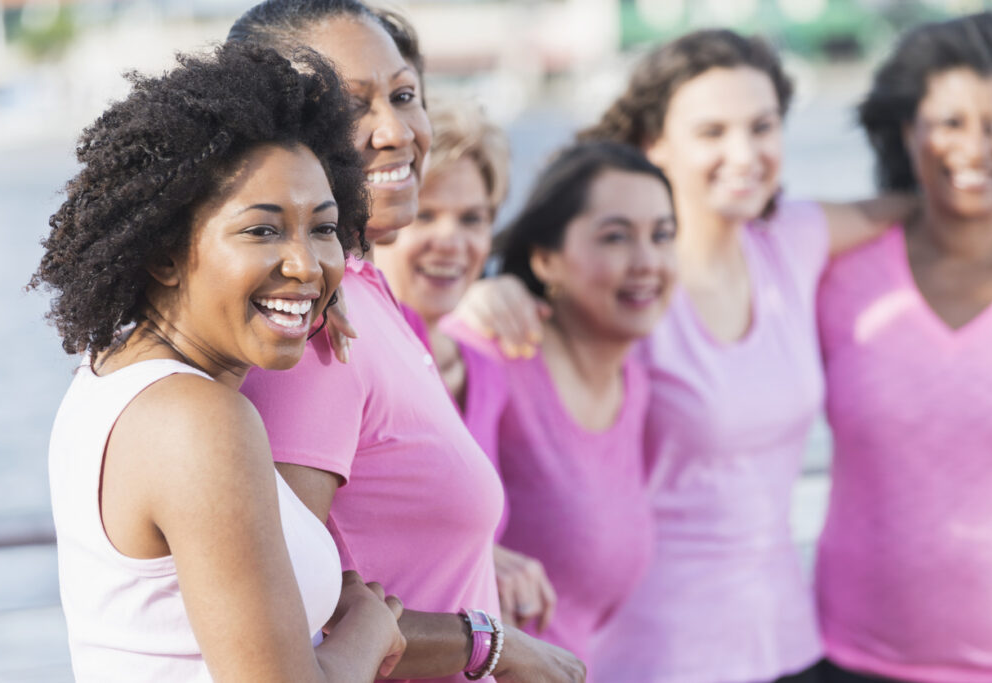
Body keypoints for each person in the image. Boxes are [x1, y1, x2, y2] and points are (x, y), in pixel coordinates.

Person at [455, 29, 911, 683]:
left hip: (790, 640)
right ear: (654, 143)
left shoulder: (793, 239)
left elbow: (925, 211)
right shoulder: (621, 290)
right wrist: (488, 291)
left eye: (762, 126)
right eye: (712, 131)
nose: (744, 153)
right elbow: (524, 344)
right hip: (655, 650)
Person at [229, 2, 585, 682]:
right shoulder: (310, 332)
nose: (395, 131)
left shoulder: (365, 292)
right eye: (351, 106)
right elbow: (285, 614)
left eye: (403, 94)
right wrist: (495, 645)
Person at [31, 43, 407, 681]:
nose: (307, 264)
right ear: (163, 253)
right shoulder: (198, 420)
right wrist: (369, 631)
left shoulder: (110, 379)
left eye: (322, 228)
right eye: (262, 231)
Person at [816, 12, 992, 683]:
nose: (976, 146)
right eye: (951, 122)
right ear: (906, 129)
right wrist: (507, 293)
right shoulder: (837, 272)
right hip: (847, 658)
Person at [482, 141, 676, 681]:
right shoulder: (492, 358)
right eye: (616, 237)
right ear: (546, 259)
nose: (648, 262)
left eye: (662, 235)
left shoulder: (632, 380)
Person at [372, 101, 559, 632]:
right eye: (425, 214)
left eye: (472, 218)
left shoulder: (487, 367)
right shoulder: (353, 357)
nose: (451, 240)